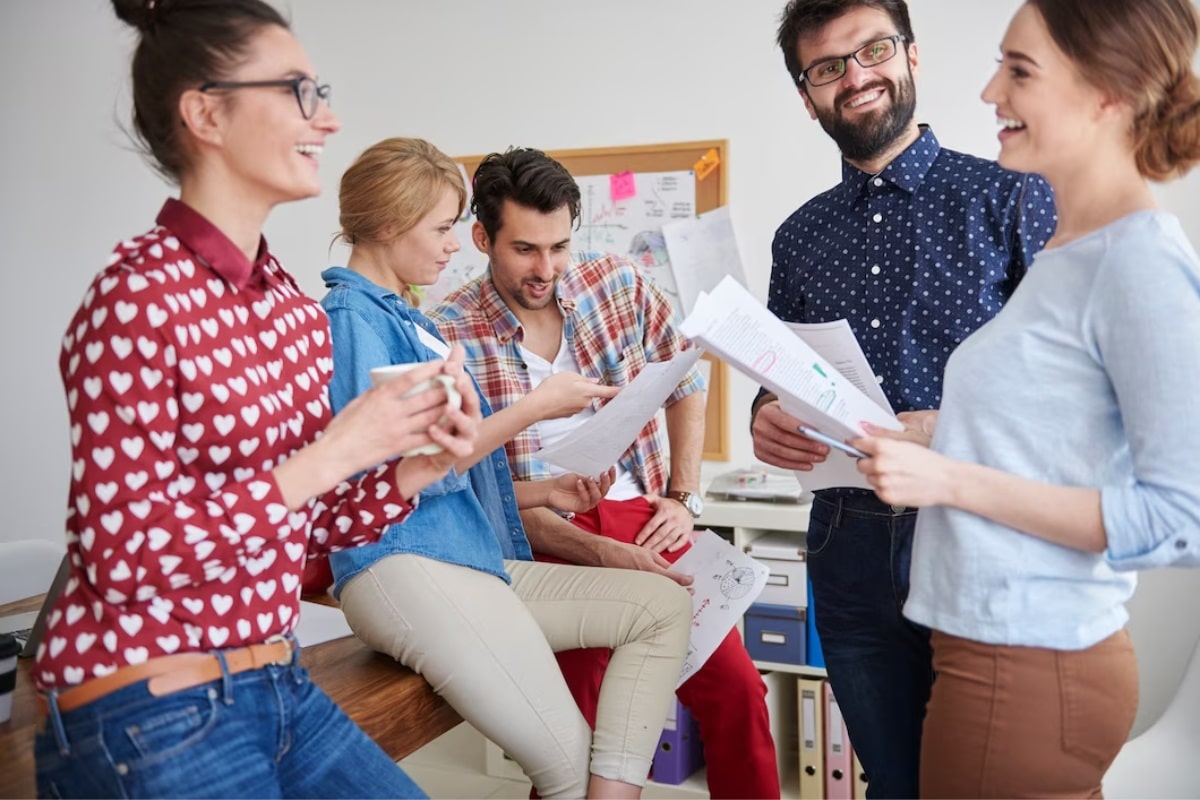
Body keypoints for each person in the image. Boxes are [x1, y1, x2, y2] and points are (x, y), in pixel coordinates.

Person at [32, 3, 483, 798]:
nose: (330, 118)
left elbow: (312, 524)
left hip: (276, 681)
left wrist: (416, 462)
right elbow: (123, 557)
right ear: (206, 113)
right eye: (300, 92)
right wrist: (340, 449)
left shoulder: (287, 309)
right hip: (150, 705)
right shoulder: (136, 298)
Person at [852, 0, 1200, 795]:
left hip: (1027, 664)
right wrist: (940, 433)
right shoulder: (1067, 252)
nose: (987, 92)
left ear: (1107, 93)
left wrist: (951, 480)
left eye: (1019, 70)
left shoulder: (1138, 264)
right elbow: (1060, 429)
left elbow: (1184, 515)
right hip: (996, 654)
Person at [320, 136, 694, 800]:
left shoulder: (403, 319)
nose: (449, 244)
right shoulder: (352, 318)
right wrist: (535, 407)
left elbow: (455, 470)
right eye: (439, 227)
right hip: (408, 564)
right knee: (563, 765)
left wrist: (548, 489)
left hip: (464, 558)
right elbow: (410, 473)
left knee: (662, 606)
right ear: (387, 225)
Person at [750, 2, 1057, 797]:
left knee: (987, 782)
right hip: (846, 541)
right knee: (892, 782)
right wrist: (766, 420)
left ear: (911, 55)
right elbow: (778, 375)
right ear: (807, 94)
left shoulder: (1015, 196)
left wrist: (950, 430)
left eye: (872, 50)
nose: (855, 78)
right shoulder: (798, 237)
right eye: (827, 68)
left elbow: (1073, 391)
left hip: (978, 528)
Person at [430, 147, 781, 800]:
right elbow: (473, 490)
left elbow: (688, 378)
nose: (547, 269)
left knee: (738, 690)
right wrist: (599, 552)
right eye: (525, 250)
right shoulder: (449, 334)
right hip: (539, 537)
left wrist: (683, 496)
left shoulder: (614, 283)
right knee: (581, 731)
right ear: (482, 238)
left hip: (641, 517)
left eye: (559, 246)